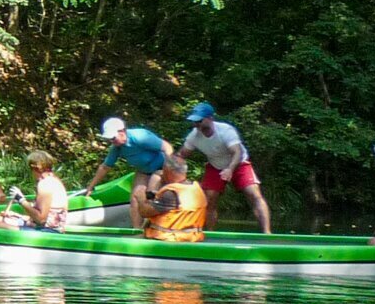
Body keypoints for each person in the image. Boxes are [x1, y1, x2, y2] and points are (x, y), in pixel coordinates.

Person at [179, 101, 271, 233]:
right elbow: (182, 154)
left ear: (210, 118)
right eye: (194, 121)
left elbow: (237, 152)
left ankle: (267, 233)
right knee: (209, 198)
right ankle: (209, 233)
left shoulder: (225, 131)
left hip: (239, 163)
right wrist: (172, 168)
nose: (196, 124)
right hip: (215, 165)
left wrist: (230, 169)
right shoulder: (194, 136)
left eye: (199, 121)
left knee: (254, 194)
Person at [82, 116, 173, 227]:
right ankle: (136, 230)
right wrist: (91, 187)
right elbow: (105, 167)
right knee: (135, 197)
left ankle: (154, 226)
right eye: (109, 139)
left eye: (113, 138)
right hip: (144, 171)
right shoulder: (117, 147)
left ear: (122, 131)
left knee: (151, 193)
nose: (111, 141)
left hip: (161, 167)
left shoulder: (139, 137)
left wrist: (168, 171)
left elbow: (168, 148)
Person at [0, 150, 68, 232]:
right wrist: (16, 215)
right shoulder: (54, 179)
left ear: (35, 168)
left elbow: (41, 220)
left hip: (48, 232)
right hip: (50, 227)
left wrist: (21, 200)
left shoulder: (45, 184)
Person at [136, 156, 208, 242]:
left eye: (163, 170)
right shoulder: (196, 188)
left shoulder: (171, 193)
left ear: (168, 171)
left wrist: (140, 199)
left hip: (168, 238)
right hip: (192, 237)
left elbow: (145, 212)